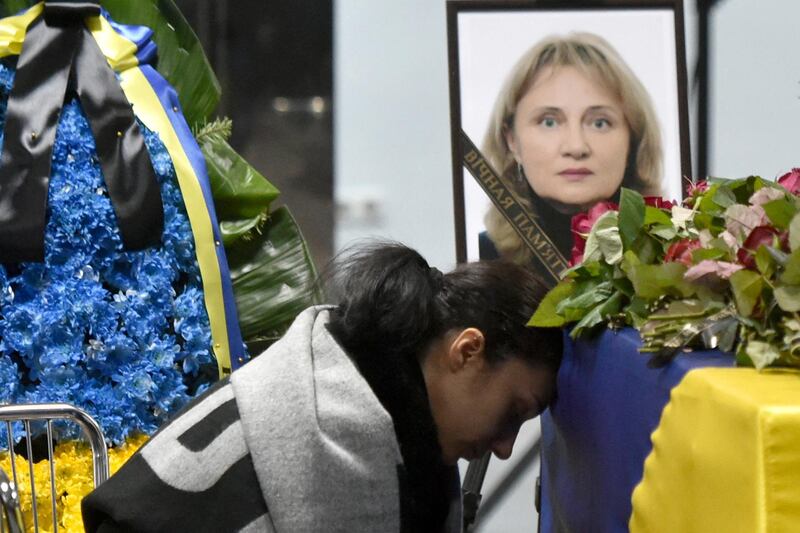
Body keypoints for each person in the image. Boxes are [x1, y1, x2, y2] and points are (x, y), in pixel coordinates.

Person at [81, 242, 562, 533]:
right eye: (514, 411)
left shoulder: (351, 379)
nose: (504, 447)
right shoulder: (343, 435)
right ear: (467, 351)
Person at [480, 32, 663, 265]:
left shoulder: (673, 255)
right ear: (511, 141)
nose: (576, 147)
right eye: (549, 122)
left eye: (599, 123)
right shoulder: (480, 260)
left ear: (633, 140)